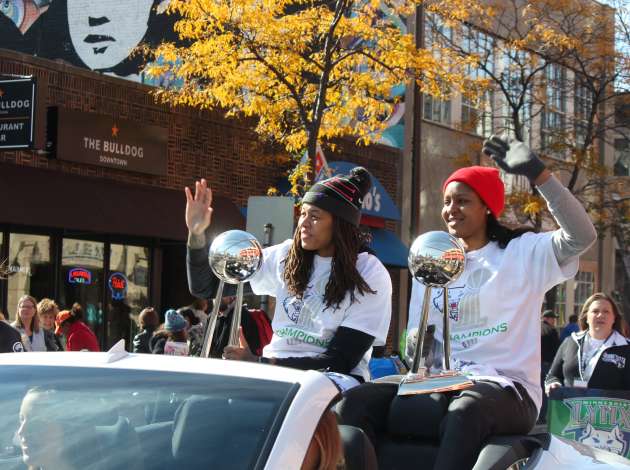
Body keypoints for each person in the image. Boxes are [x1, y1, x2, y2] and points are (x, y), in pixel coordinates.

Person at [338, 135, 597, 469]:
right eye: (447, 201)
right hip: (444, 380)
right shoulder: (432, 259)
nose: (450, 210)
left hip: (508, 387)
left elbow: (582, 236)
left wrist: (540, 175)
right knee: (353, 402)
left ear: (486, 206)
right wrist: (417, 346)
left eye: (462, 200)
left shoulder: (522, 252)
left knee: (465, 411)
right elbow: (419, 340)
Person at [186, 167, 392, 382]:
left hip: (333, 382)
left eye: (315, 216)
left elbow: (339, 361)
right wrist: (196, 234)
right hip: (272, 373)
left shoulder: (369, 272)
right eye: (302, 214)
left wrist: (261, 364)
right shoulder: (286, 255)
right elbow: (206, 287)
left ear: (341, 223)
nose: (303, 223)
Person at [545, 292, 630, 392]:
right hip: (570, 406)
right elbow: (552, 376)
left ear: (614, 318)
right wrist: (553, 383)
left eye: (606, 311)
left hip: (610, 407)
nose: (600, 315)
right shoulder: (570, 342)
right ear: (586, 317)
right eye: (595, 311)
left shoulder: (626, 347)